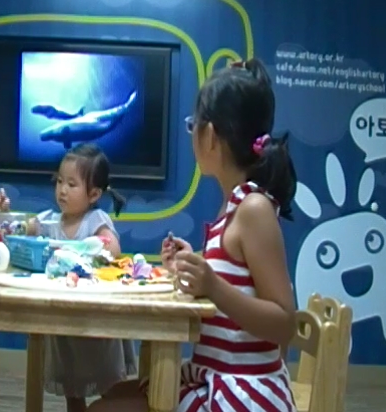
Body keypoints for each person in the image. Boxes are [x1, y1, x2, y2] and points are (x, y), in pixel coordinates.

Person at [87, 58, 298, 412]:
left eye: (192, 125)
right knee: (112, 395)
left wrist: (212, 285)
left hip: (243, 393)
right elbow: (235, 284)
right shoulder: (234, 207)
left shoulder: (254, 209)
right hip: (215, 377)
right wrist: (191, 267)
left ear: (210, 136)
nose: (192, 135)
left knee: (102, 410)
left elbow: (284, 323)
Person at [29, 143, 136, 412]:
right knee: (72, 387)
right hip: (64, 320)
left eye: (71, 184)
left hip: (96, 319)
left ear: (94, 194)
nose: (62, 190)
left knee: (108, 387)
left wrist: (92, 245)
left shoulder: (95, 219)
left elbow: (113, 247)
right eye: (59, 181)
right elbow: (23, 228)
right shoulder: (51, 221)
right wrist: (7, 214)